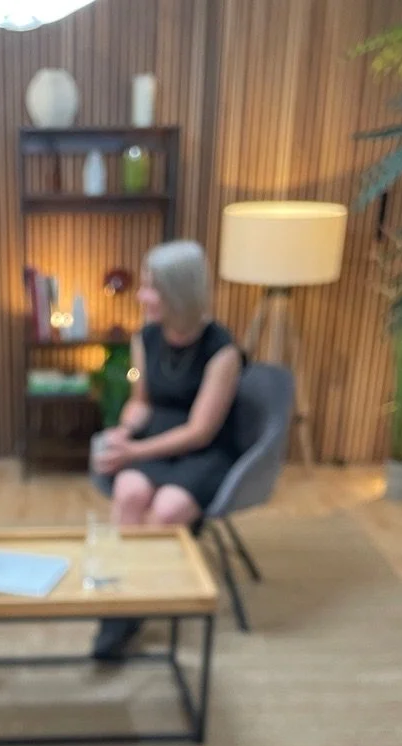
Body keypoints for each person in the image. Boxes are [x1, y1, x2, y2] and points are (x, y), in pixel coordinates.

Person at [91, 239, 245, 660]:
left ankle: (133, 609)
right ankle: (122, 603)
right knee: (129, 494)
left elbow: (200, 430)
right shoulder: (147, 337)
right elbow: (143, 401)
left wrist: (134, 454)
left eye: (151, 288)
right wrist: (125, 430)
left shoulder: (222, 350)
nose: (141, 296)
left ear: (180, 292)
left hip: (204, 450)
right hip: (155, 439)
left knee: (168, 509)